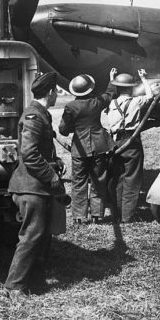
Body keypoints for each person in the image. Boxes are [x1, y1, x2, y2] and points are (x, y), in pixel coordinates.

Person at [4, 71, 63, 300]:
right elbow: (28, 153)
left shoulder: (40, 113)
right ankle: (14, 287)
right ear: (50, 92)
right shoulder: (34, 116)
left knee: (42, 234)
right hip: (31, 186)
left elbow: (39, 149)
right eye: (56, 91)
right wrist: (51, 175)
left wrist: (54, 161)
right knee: (31, 235)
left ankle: (34, 280)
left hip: (37, 186)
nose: (57, 94)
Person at [58, 69, 117, 224]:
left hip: (79, 149)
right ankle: (97, 215)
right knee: (99, 180)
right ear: (90, 88)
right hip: (99, 146)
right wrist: (111, 79)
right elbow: (110, 94)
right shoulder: (96, 102)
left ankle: (79, 216)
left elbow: (63, 130)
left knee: (78, 182)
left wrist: (75, 128)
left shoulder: (70, 107)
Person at [106, 68, 154, 223]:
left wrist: (111, 79)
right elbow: (150, 96)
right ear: (131, 88)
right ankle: (127, 216)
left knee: (117, 178)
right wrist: (144, 78)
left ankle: (117, 214)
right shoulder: (136, 101)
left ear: (117, 88)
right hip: (132, 142)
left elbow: (109, 95)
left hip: (115, 142)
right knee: (132, 179)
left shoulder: (111, 103)